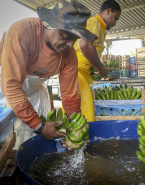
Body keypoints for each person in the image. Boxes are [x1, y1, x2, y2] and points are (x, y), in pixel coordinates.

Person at [0, 0, 95, 148]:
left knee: (32, 138)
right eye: (66, 35)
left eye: (75, 39)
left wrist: (76, 130)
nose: (70, 45)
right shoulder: (22, 33)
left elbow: (70, 97)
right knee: (7, 133)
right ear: (49, 25)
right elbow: (11, 86)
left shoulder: (68, 55)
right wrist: (39, 126)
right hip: (5, 84)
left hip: (34, 89)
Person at [73, 0, 121, 122]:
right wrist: (101, 68)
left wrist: (98, 67)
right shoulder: (94, 22)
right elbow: (84, 44)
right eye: (115, 18)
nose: (115, 23)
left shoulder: (100, 28)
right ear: (108, 11)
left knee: (82, 114)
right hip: (77, 73)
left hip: (84, 74)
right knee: (84, 115)